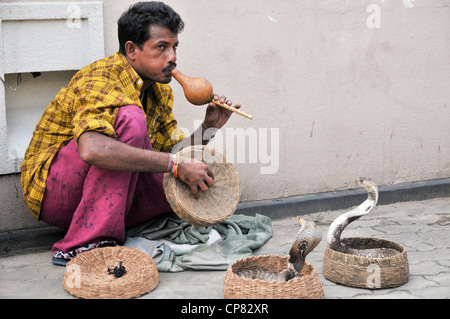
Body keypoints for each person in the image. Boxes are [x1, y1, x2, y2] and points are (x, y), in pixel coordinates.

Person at [20, 1, 241, 265]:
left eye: (174, 47)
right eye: (161, 47)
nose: (172, 57)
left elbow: (168, 157)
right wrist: (175, 164)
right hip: (56, 193)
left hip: (109, 195)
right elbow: (92, 149)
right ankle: (87, 244)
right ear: (131, 50)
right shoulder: (100, 77)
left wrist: (208, 128)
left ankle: (109, 226)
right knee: (132, 120)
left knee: (179, 183)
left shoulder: (160, 92)